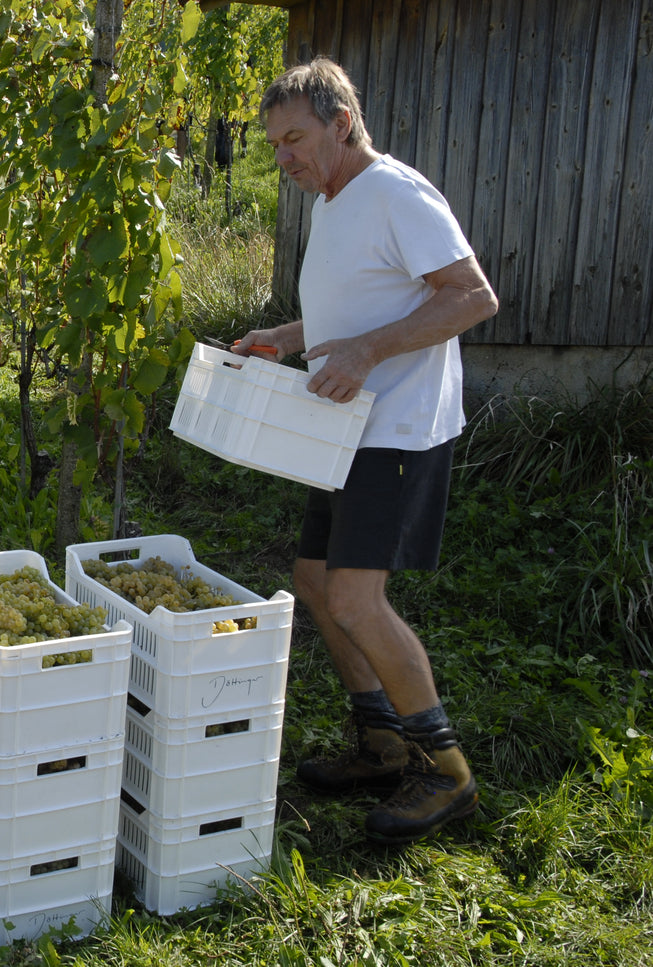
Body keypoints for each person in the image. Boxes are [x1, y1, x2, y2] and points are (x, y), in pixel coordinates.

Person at [232, 58, 499, 844]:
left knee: (353, 596)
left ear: (339, 123)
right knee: (314, 579)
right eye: (273, 142)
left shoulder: (396, 193)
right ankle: (381, 742)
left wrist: (367, 354)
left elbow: (471, 295)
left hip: (396, 428)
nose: (282, 156)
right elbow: (363, 304)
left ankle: (444, 771)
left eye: (294, 137)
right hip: (345, 427)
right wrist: (287, 338)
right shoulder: (335, 199)